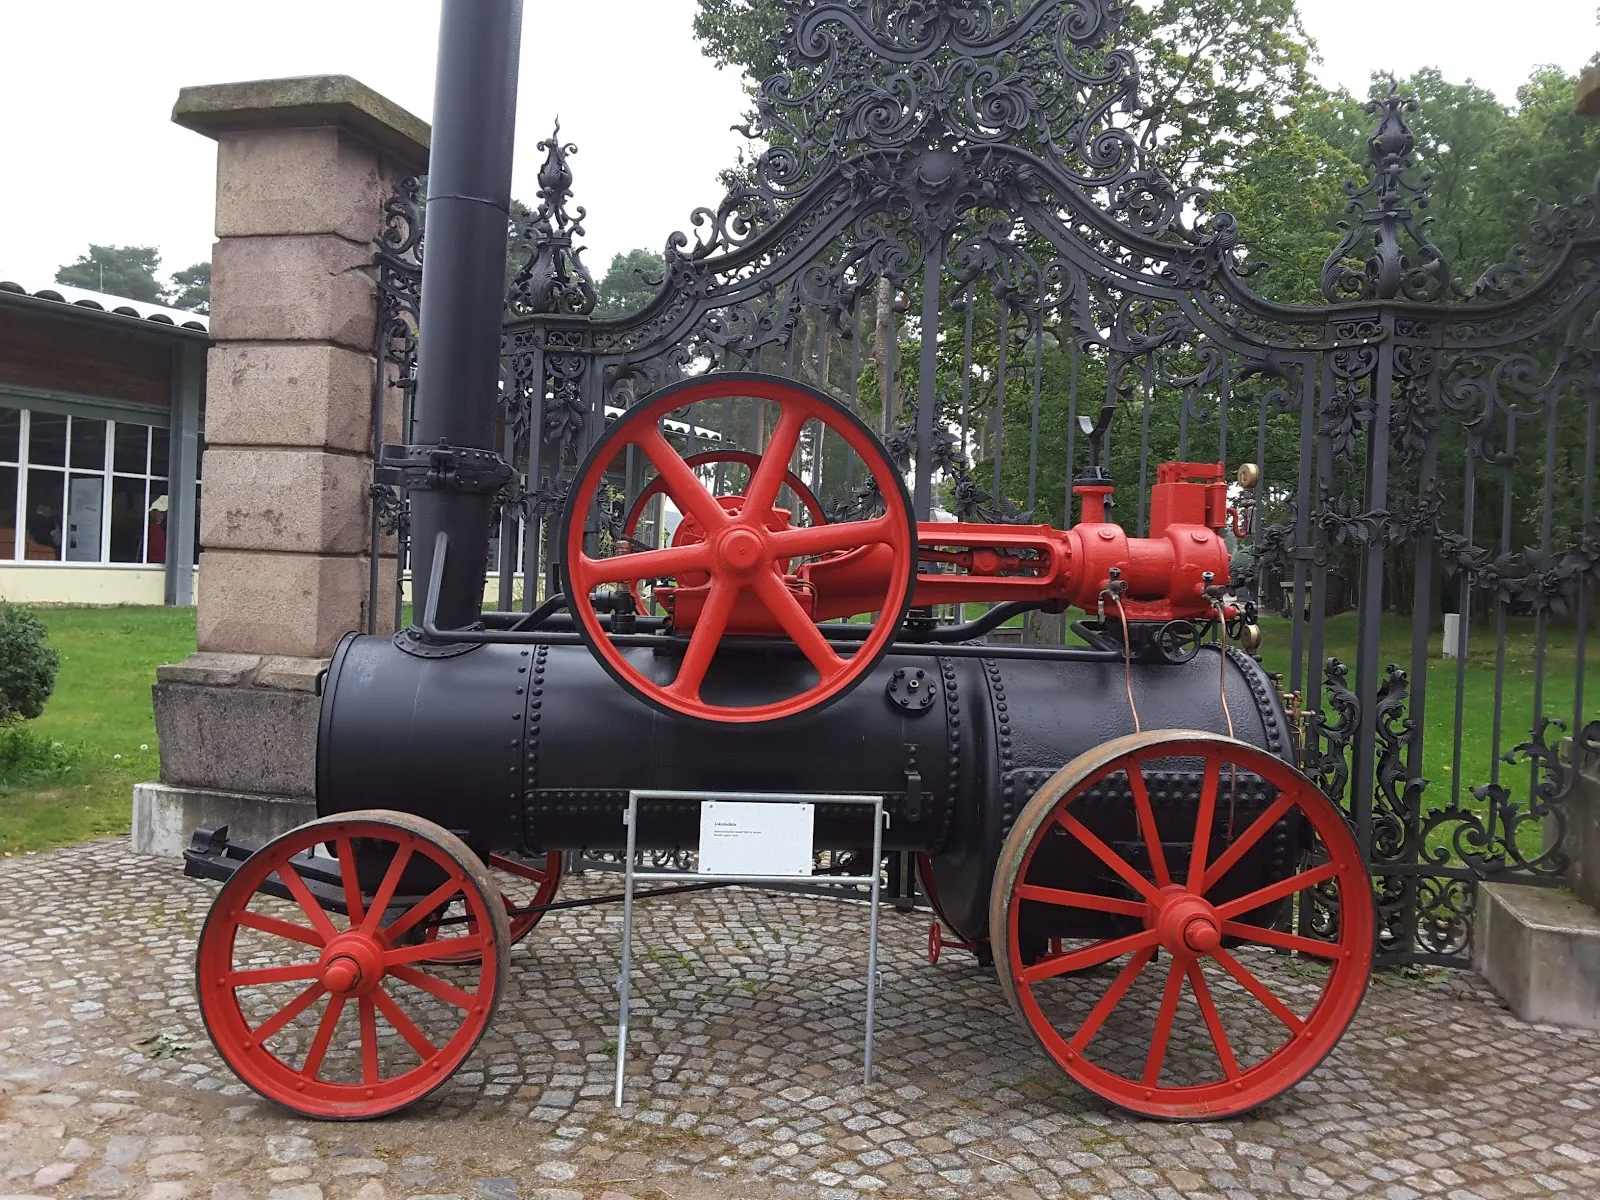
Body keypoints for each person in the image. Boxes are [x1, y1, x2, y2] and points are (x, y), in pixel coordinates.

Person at [147, 494, 168, 564]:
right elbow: (159, 552)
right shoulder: (156, 529)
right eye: (161, 513)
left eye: (163, 513)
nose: (162, 516)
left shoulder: (158, 528)